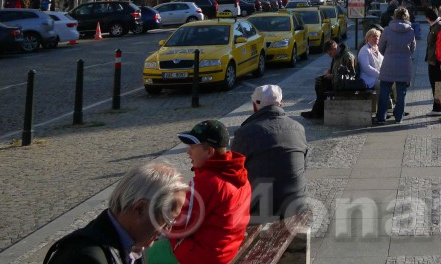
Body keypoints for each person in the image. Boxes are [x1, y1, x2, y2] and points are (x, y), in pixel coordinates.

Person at [43, 162, 189, 264]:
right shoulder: (86, 258)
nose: (167, 231)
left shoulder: (134, 246)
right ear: (140, 209)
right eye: (167, 221)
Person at [152, 119, 251, 264]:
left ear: (209, 152)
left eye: (193, 147)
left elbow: (179, 225)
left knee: (146, 252)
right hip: (227, 248)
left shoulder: (207, 183)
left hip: (204, 256)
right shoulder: (239, 175)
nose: (188, 152)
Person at [230, 85, 308, 222]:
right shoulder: (299, 128)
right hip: (297, 203)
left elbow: (235, 174)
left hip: (261, 208)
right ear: (280, 104)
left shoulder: (245, 133)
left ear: (255, 106)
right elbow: (303, 166)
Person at [376, 6, 416, 124]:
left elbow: (380, 47)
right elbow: (413, 49)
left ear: (394, 16)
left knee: (384, 91)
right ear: (407, 16)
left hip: (389, 63)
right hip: (404, 64)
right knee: (401, 92)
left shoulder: (387, 30)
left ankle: (381, 116)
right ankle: (399, 117)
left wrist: (388, 54)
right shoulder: (411, 31)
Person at [300, 40, 358, 120]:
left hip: (344, 84)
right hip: (337, 80)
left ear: (335, 48)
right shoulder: (336, 56)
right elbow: (337, 69)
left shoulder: (347, 56)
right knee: (319, 82)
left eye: (330, 53)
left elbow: (351, 76)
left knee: (323, 86)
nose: (330, 56)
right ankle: (318, 111)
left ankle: (316, 112)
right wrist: (329, 72)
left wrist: (333, 76)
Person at [424, 7, 441, 116]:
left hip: (437, 60)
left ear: (427, 18)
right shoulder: (436, 25)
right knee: (437, 84)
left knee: (439, 84)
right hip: (435, 59)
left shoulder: (438, 26)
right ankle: (438, 108)